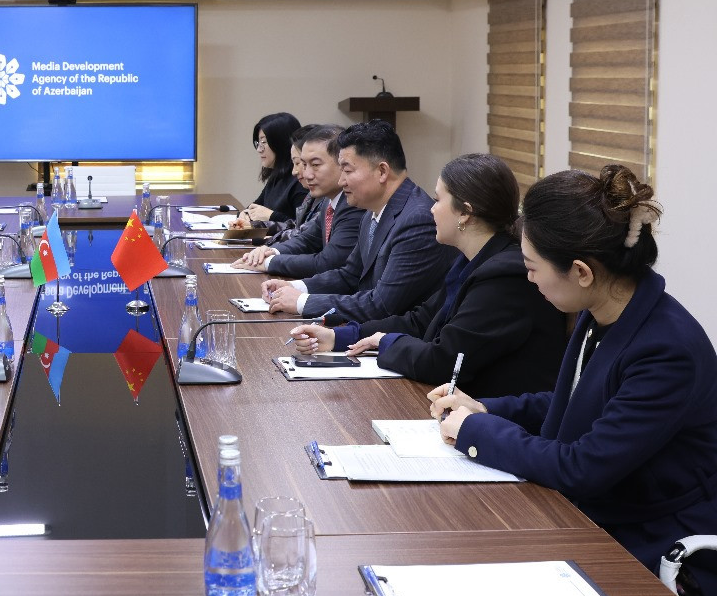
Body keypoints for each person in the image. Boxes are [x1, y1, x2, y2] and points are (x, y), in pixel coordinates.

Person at [431, 165, 717, 596]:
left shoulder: (667, 348)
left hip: (647, 542)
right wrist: (485, 407)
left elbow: (583, 467)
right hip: (596, 515)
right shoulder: (603, 310)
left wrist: (476, 433)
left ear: (581, 271)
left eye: (532, 267)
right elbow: (577, 402)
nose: (528, 279)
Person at [288, 153, 567, 397]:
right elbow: (421, 320)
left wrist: (386, 342)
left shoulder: (504, 276)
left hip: (496, 415)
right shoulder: (471, 260)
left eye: (438, 200)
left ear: (465, 214)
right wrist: (339, 337)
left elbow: (444, 360)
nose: (430, 208)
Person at [261, 120, 455, 320]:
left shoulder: (416, 220)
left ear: (382, 171)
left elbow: (381, 305)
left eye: (347, 170)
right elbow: (350, 276)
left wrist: (301, 301)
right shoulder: (373, 209)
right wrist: (294, 287)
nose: (341, 181)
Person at [232, 125, 363, 277]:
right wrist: (272, 251)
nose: (306, 174)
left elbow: (327, 263)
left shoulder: (353, 204)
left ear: (342, 163)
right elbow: (306, 240)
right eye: (304, 164)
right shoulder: (331, 201)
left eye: (315, 165)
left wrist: (269, 262)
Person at [239, 112, 307, 225]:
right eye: (258, 143)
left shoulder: (301, 181)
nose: (259, 149)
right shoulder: (277, 176)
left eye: (264, 142)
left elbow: (303, 227)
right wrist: (244, 214)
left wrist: (271, 216)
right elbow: (254, 207)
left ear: (281, 143)